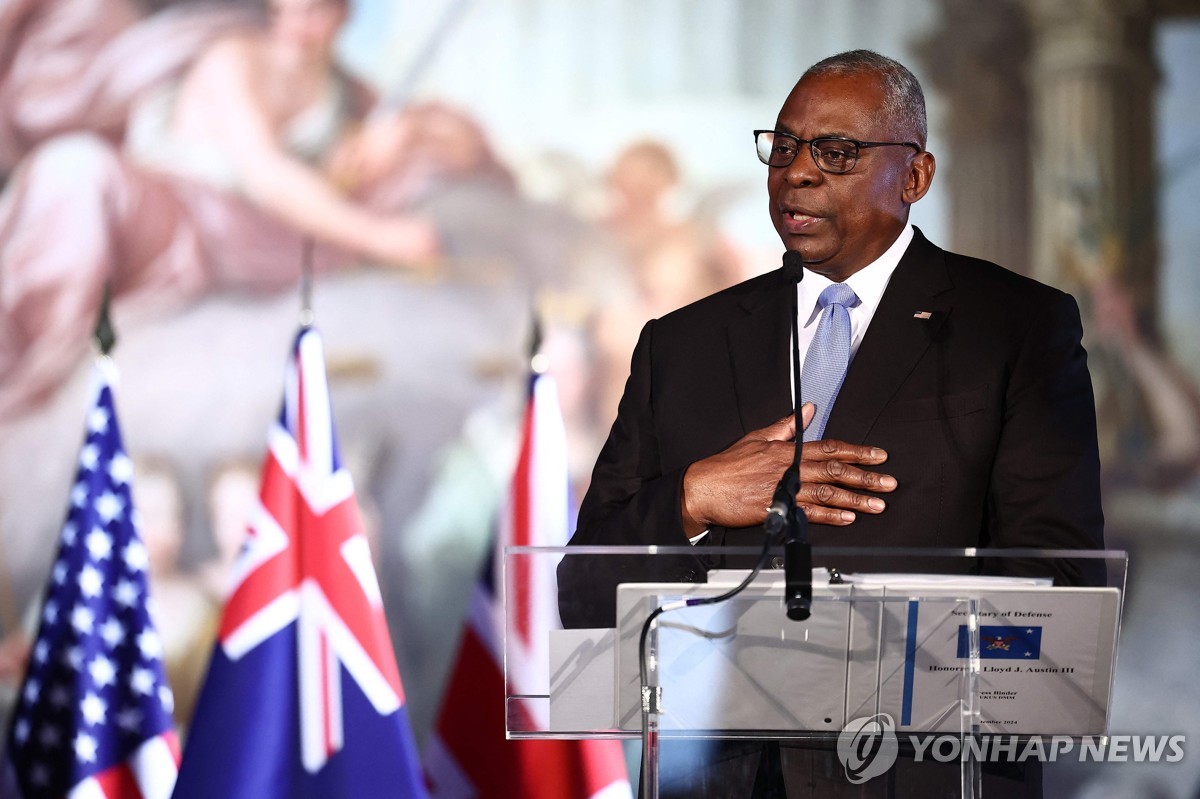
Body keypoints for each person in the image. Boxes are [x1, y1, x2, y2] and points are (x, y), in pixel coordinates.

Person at [560, 50, 1104, 798]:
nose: (797, 172)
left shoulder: (1014, 327)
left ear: (913, 176)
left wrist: (854, 656)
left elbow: (1061, 589)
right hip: (715, 776)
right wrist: (691, 498)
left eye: (835, 152)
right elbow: (581, 591)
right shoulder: (682, 343)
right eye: (783, 147)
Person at [0, 0, 440, 420]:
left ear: (341, 16)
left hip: (250, 240)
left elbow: (441, 139)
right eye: (284, 12)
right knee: (78, 172)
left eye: (312, 13)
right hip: (168, 212)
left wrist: (391, 140)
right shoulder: (235, 60)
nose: (295, 28)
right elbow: (263, 172)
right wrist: (377, 235)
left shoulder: (346, 93)